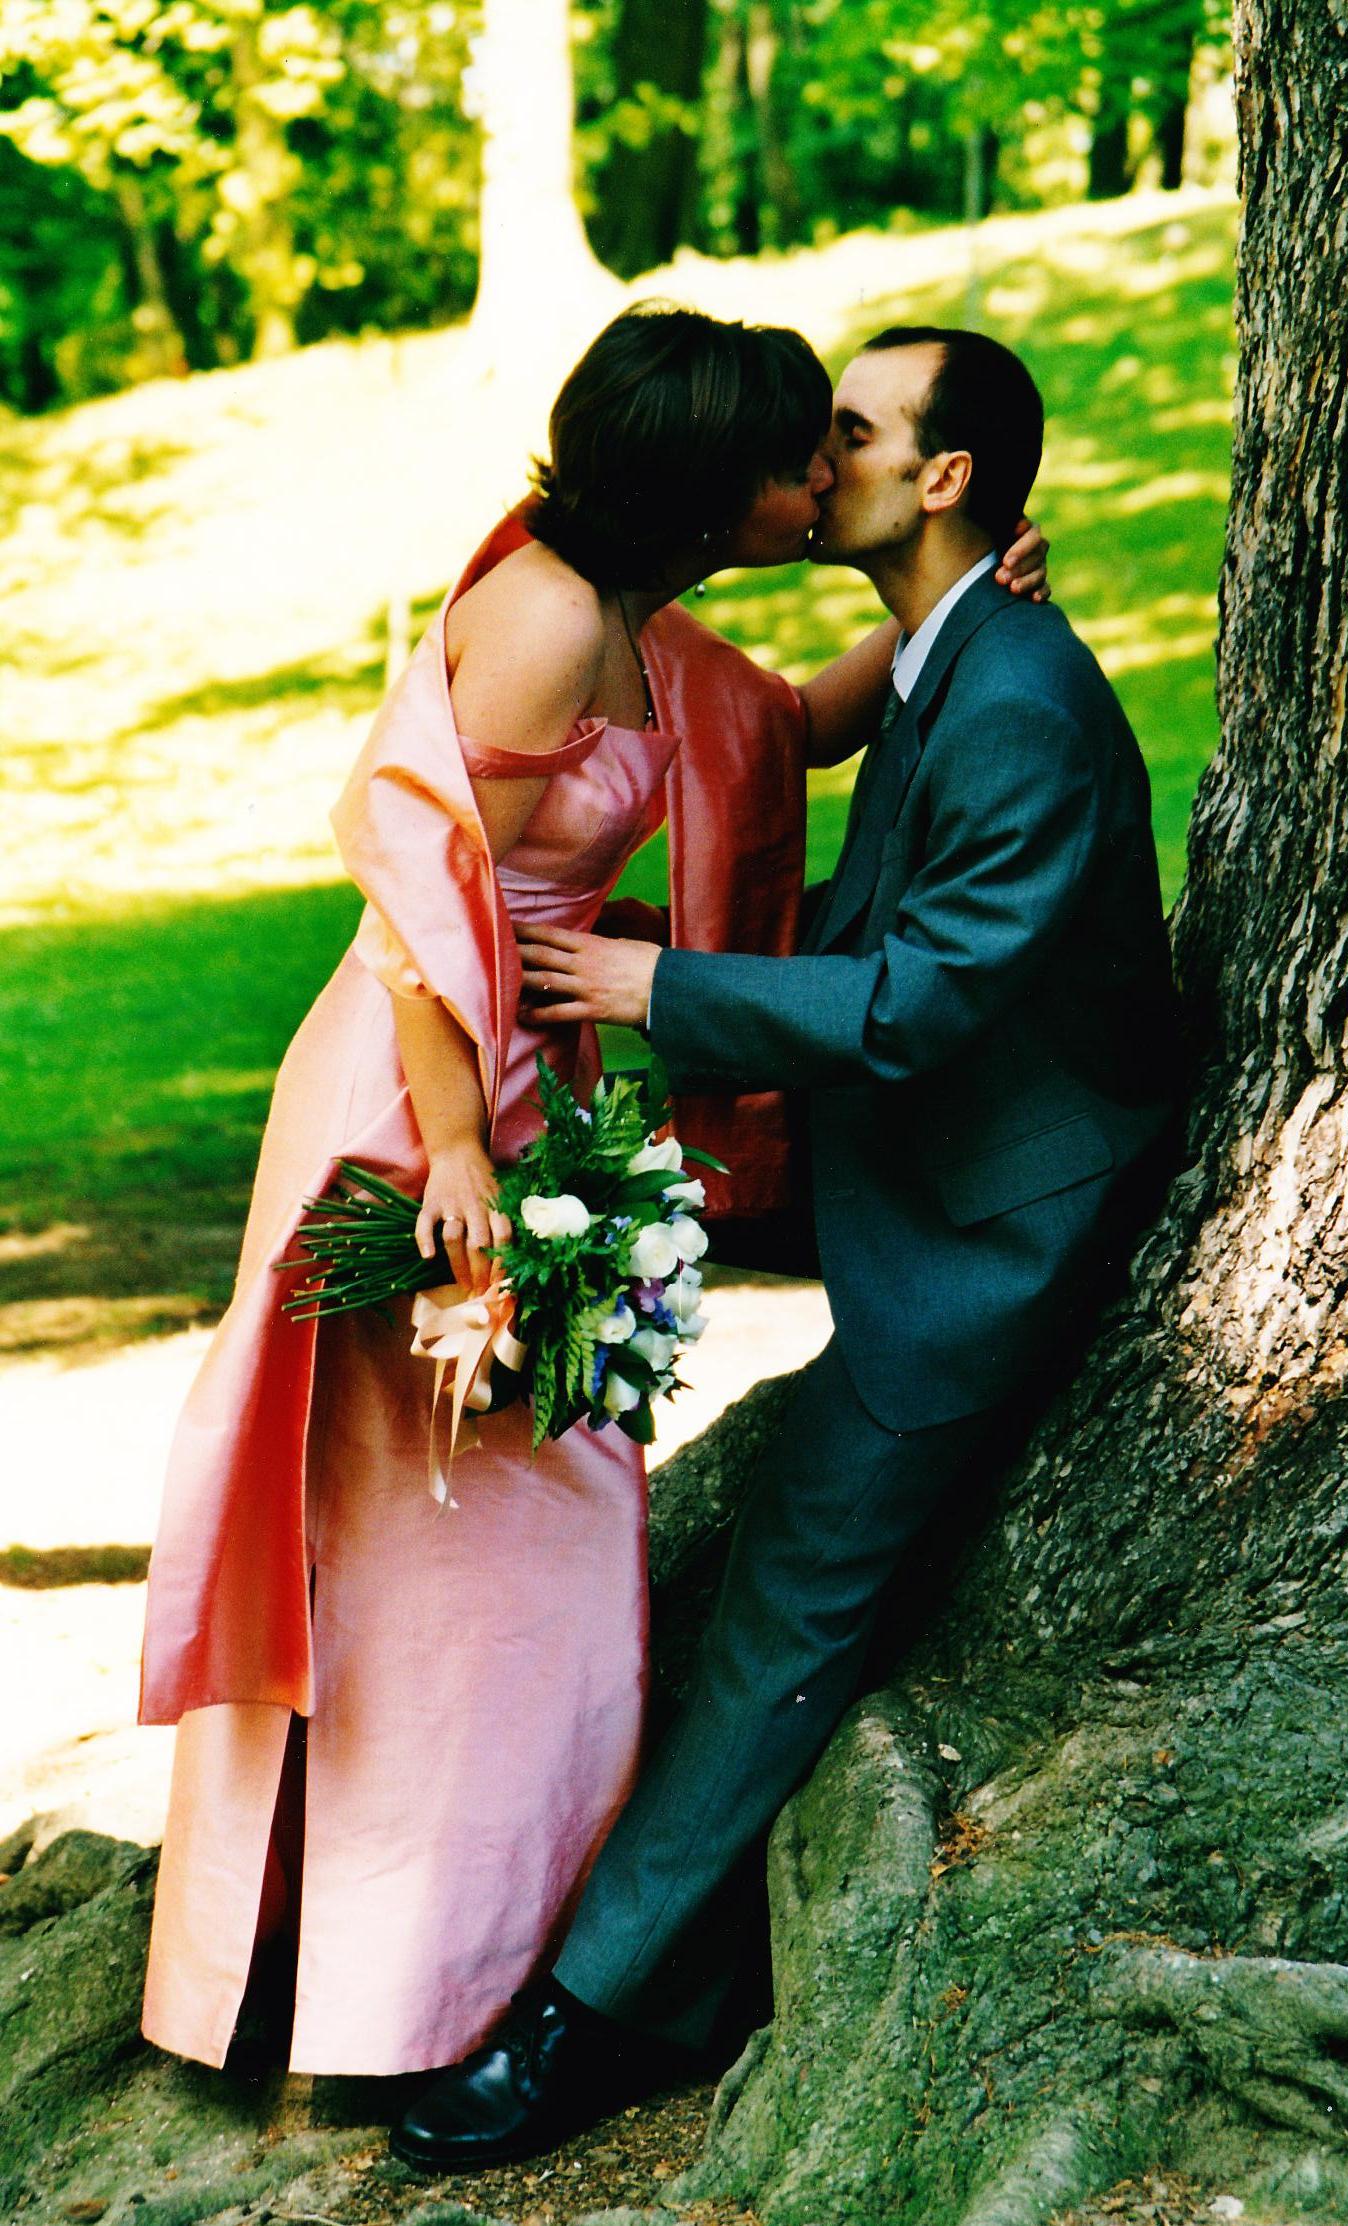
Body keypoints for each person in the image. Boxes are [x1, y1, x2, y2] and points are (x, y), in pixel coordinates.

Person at [138, 302, 1050, 2079]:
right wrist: (457, 1150)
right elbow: (416, 889)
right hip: (414, 1100)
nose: (823, 478)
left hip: (526, 1090)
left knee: (513, 1544)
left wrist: (953, 605)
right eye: (799, 456)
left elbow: (784, 727)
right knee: (420, 1538)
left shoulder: (649, 626)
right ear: (711, 484)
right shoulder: (548, 618)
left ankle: (431, 1974)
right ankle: (349, 1985)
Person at [393, 325, 1183, 2169]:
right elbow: (864, 897)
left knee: (790, 1586)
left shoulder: (1017, 694)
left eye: (850, 433)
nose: (816, 466)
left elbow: (917, 998)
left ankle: (588, 2023)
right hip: (919, 1164)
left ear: (945, 478)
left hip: (991, 1228)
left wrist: (651, 986)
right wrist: (647, 964)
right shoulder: (946, 653)